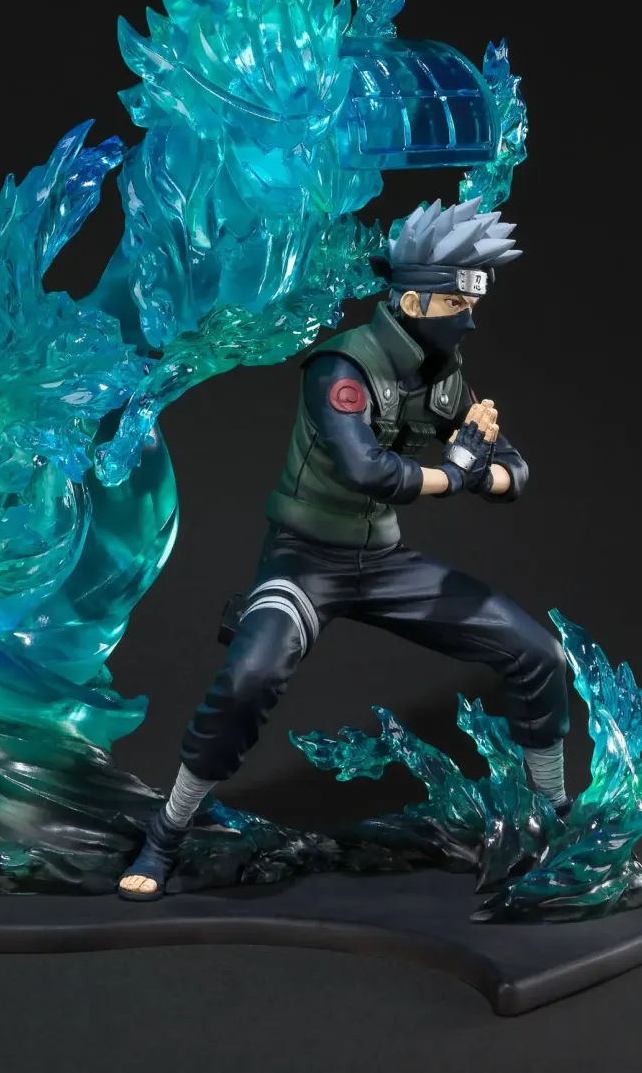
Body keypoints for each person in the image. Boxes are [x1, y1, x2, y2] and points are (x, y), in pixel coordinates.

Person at [117, 197, 569, 900]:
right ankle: (164, 835)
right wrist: (457, 471)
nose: (469, 318)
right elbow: (369, 472)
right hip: (306, 562)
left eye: (472, 302)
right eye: (458, 302)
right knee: (247, 682)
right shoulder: (342, 369)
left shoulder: (442, 373)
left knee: (538, 654)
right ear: (415, 301)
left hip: (384, 564)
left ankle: (554, 820)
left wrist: (482, 469)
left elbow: (515, 471)